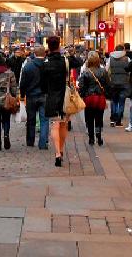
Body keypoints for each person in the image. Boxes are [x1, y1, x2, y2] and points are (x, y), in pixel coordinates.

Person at [41, 36, 81, 167]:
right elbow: (78, 62)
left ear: (48, 47)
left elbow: (42, 84)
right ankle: (62, 150)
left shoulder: (45, 63)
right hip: (65, 95)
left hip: (52, 96)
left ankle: (57, 153)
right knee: (63, 124)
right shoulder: (66, 60)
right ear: (59, 46)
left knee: (54, 125)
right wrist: (69, 52)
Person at [19, 44, 48, 149]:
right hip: (44, 95)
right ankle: (43, 143)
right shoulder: (48, 66)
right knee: (44, 120)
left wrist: (22, 95)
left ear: (34, 54)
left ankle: (30, 141)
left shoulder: (28, 66)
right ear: (44, 54)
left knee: (31, 119)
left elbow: (23, 83)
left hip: (31, 95)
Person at [78, 51, 110, 146]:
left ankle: (91, 138)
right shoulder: (103, 71)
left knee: (89, 118)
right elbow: (107, 84)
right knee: (99, 117)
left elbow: (81, 86)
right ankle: (99, 136)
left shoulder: (86, 72)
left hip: (89, 98)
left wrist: (82, 95)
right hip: (100, 98)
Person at [106, 44, 130, 127]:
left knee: (114, 101)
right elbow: (130, 70)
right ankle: (119, 121)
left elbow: (106, 69)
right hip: (124, 83)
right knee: (121, 102)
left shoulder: (111, 59)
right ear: (123, 50)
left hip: (113, 83)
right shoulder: (127, 59)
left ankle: (113, 120)